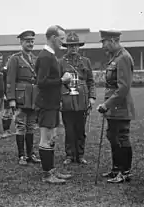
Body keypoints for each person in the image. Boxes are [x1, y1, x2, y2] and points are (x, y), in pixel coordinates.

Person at [35, 25, 73, 184]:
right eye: (61, 38)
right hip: (46, 104)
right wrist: (61, 80)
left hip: (52, 104)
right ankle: (47, 175)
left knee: (51, 138)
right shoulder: (45, 57)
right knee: (46, 138)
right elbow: (41, 82)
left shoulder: (51, 56)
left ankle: (51, 170)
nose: (63, 42)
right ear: (52, 37)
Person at [97, 30, 135, 183]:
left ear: (112, 40)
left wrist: (106, 104)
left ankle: (125, 172)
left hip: (120, 106)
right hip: (114, 107)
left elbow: (123, 87)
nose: (103, 46)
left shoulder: (123, 58)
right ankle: (116, 169)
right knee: (112, 137)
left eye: (104, 42)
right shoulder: (115, 57)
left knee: (121, 138)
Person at [59, 31, 96, 165]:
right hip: (67, 100)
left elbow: (91, 81)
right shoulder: (61, 62)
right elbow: (58, 82)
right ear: (66, 47)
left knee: (80, 129)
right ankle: (69, 155)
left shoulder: (86, 61)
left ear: (79, 46)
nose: (73, 48)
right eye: (70, 45)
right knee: (69, 129)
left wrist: (92, 97)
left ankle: (80, 155)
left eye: (75, 45)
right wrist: (59, 100)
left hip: (82, 99)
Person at [7, 30, 41, 165]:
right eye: (28, 41)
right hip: (20, 96)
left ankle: (30, 154)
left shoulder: (35, 59)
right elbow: (10, 80)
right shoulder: (15, 59)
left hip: (33, 97)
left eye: (32, 41)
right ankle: (21, 155)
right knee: (21, 126)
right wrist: (11, 99)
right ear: (21, 42)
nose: (30, 44)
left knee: (31, 126)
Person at [1, 55, 14, 137]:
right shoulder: (3, 71)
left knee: (10, 113)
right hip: (6, 94)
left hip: (11, 94)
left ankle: (8, 129)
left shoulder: (12, 71)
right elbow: (2, 83)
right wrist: (4, 94)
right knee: (6, 112)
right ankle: (5, 130)